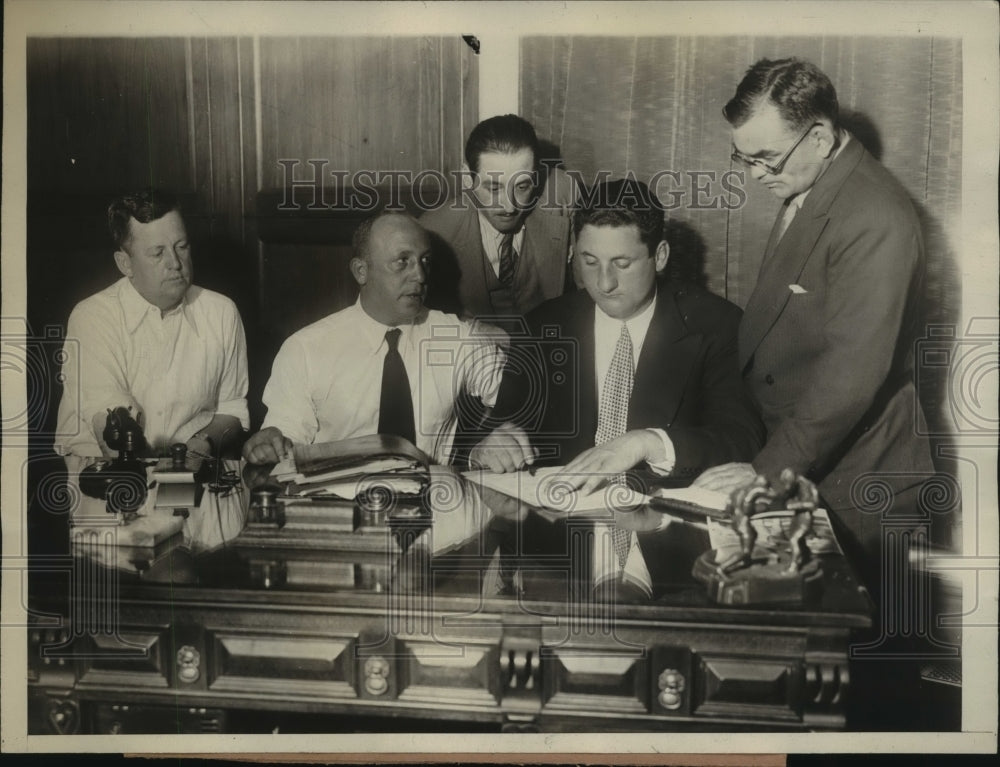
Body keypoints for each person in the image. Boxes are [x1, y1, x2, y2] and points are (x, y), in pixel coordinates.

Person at [694, 58, 935, 593]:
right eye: (744, 156)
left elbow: (850, 377)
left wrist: (765, 472)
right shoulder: (810, 183)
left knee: (859, 664)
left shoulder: (874, 216)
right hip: (813, 461)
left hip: (862, 484)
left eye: (767, 158)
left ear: (820, 137)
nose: (756, 174)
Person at [470, 179, 765, 596]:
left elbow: (741, 440)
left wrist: (649, 443)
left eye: (622, 264)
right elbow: (502, 426)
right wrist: (490, 443)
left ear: (659, 256)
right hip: (559, 546)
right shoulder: (544, 325)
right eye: (589, 261)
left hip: (671, 545)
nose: (603, 282)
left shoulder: (716, 326)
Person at [55, 189, 250, 546]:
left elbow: (233, 411)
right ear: (124, 263)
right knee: (128, 585)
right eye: (157, 252)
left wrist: (198, 449)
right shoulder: (93, 318)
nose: (175, 263)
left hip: (194, 474)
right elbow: (112, 436)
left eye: (182, 246)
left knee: (206, 581)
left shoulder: (221, 312)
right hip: (109, 485)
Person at [242, 211, 506, 466]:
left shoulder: (455, 336)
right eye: (402, 261)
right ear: (361, 271)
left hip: (432, 502)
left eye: (424, 261)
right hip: (338, 503)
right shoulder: (305, 349)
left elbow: (517, 397)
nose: (420, 276)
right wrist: (270, 444)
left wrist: (490, 444)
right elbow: (286, 441)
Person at [420, 114, 572, 320]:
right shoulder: (433, 233)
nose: (509, 206)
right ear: (467, 179)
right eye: (493, 187)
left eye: (522, 186)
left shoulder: (562, 194)